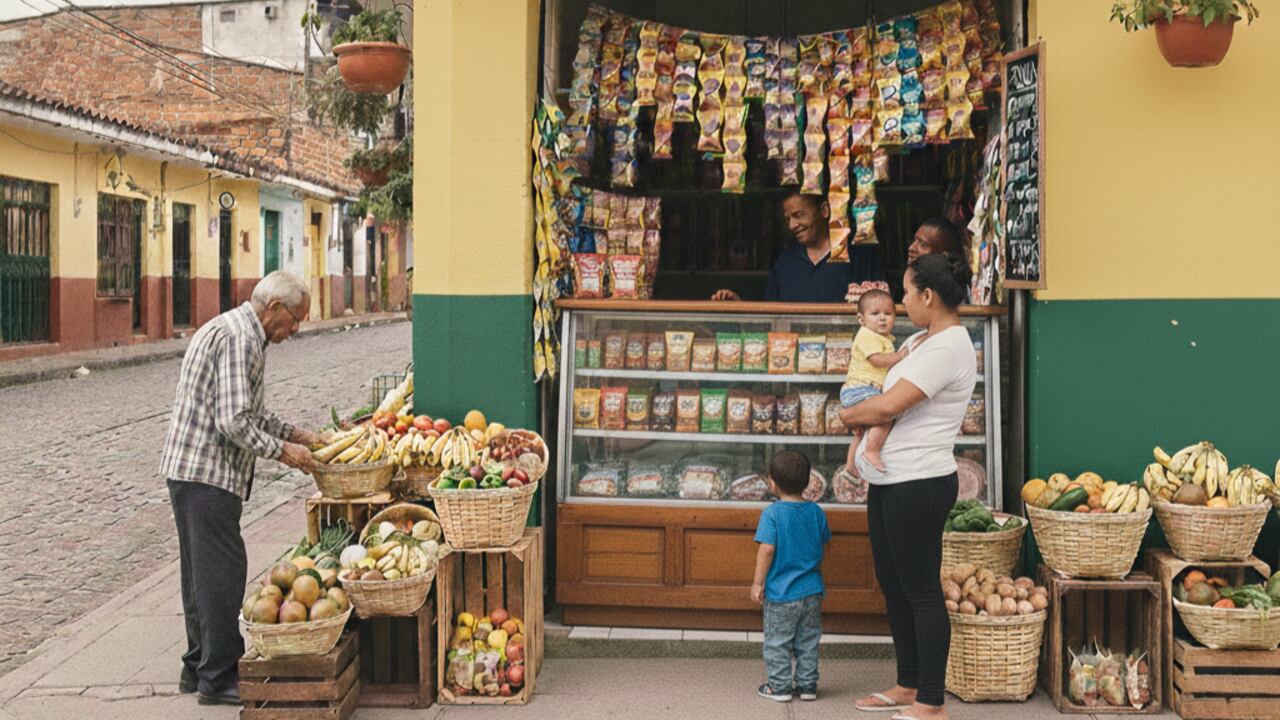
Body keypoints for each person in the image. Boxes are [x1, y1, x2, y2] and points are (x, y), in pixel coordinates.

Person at [159, 271, 321, 706]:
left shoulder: (237, 330)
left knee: (199, 573)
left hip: (191, 472)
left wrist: (299, 435)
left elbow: (251, 411)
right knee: (223, 573)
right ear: (273, 309)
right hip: (206, 474)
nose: (296, 329)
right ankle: (219, 674)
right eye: (294, 319)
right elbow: (234, 421)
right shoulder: (240, 339)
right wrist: (285, 452)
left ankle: (196, 667)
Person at [840, 253, 976, 720]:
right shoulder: (921, 340)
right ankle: (907, 682)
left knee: (920, 590)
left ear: (928, 296)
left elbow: (884, 407)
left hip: (918, 482)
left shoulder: (949, 347)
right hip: (891, 478)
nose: (900, 302)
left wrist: (845, 415)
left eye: (905, 292)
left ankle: (931, 700)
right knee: (893, 584)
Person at [751, 450, 832, 703]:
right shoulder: (816, 512)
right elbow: (823, 545)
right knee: (808, 641)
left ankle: (780, 687)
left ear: (771, 482)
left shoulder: (772, 514)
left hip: (781, 593)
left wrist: (757, 583)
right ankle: (808, 686)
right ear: (808, 482)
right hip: (812, 591)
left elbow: (767, 549)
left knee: (778, 642)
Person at [712, 191, 884, 303]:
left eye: (799, 215)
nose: (792, 225)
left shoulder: (859, 254)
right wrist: (739, 307)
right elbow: (770, 315)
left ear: (824, 211)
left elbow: (880, 310)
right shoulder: (786, 262)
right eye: (788, 219)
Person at [841, 289, 909, 472]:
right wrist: (899, 357)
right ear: (861, 319)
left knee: (862, 432)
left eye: (888, 314)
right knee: (884, 417)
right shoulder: (866, 335)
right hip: (861, 389)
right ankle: (871, 451)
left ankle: (850, 467)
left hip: (864, 390)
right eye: (875, 314)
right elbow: (877, 360)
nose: (882, 318)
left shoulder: (882, 338)